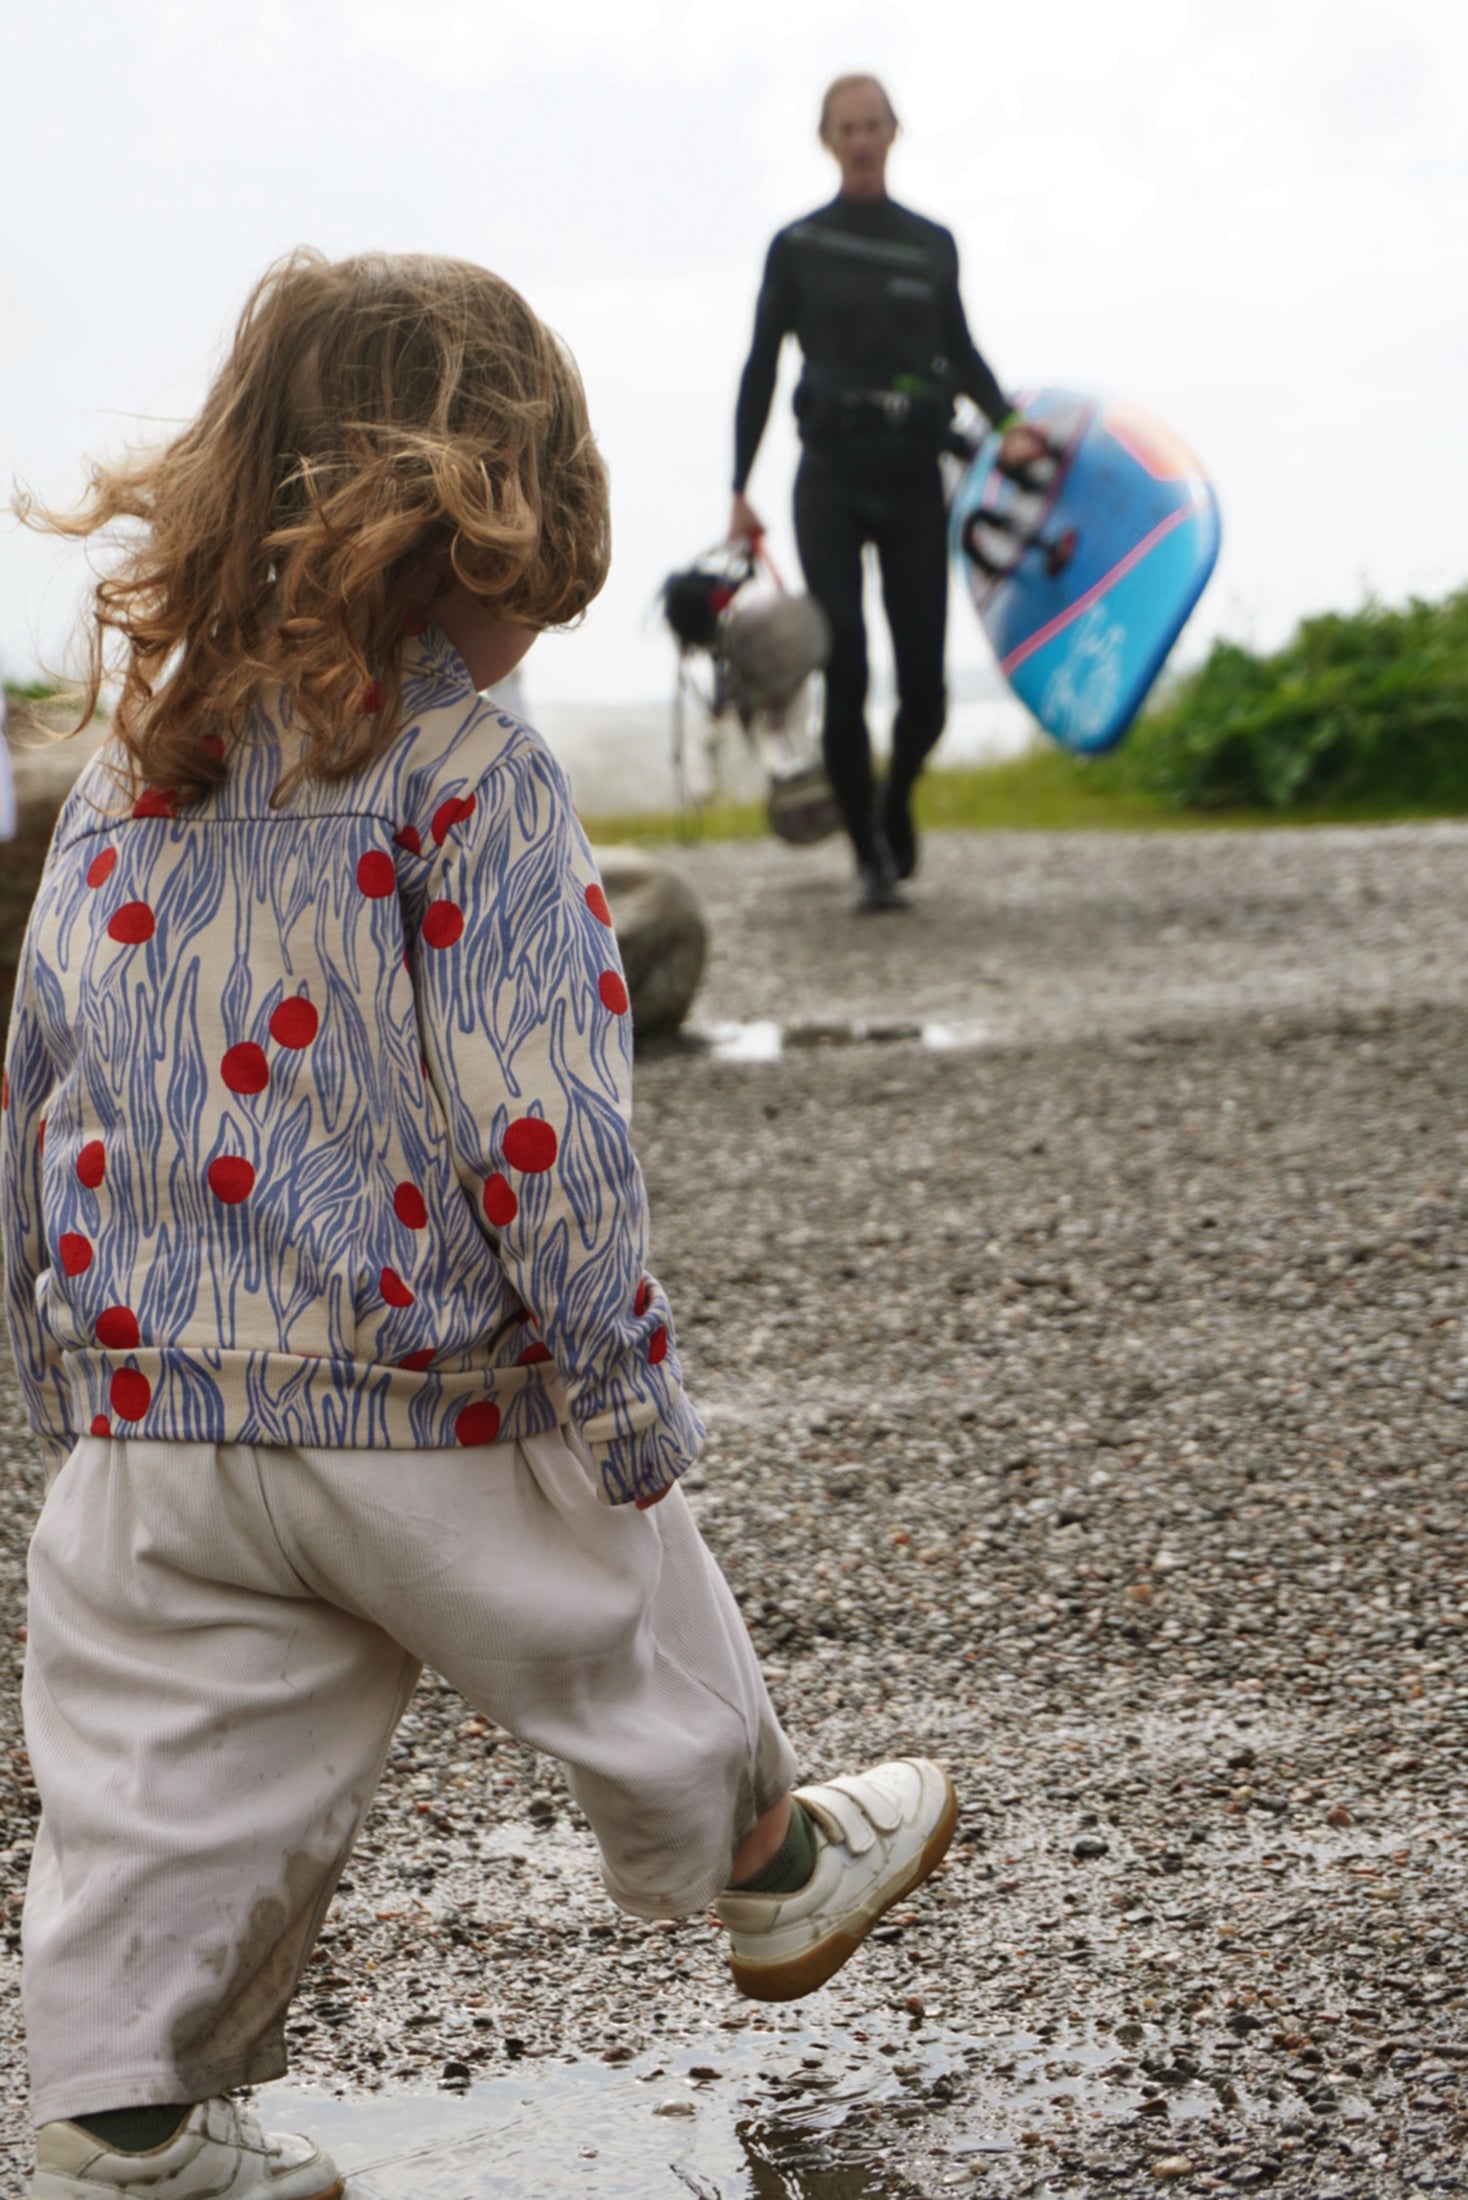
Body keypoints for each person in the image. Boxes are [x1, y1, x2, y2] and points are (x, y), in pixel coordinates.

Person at [3, 251, 957, 2200]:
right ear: (482, 521)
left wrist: (61, 1365)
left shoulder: (126, 772)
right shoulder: (472, 770)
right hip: (416, 1380)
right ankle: (768, 1863)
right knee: (620, 1606)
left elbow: (41, 1070)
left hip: (164, 1401)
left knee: (160, 1776)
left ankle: (121, 2114)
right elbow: (542, 1125)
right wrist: (616, 1386)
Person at [731, 73, 1045, 910]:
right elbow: (761, 369)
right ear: (828, 140)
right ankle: (869, 851)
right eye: (847, 128)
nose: (862, 140)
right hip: (829, 482)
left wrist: (1009, 422)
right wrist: (737, 487)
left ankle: (896, 792)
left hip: (913, 481)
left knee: (926, 690)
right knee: (847, 668)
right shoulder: (797, 246)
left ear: (894, 133)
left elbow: (964, 351)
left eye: (873, 125)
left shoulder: (931, 243)